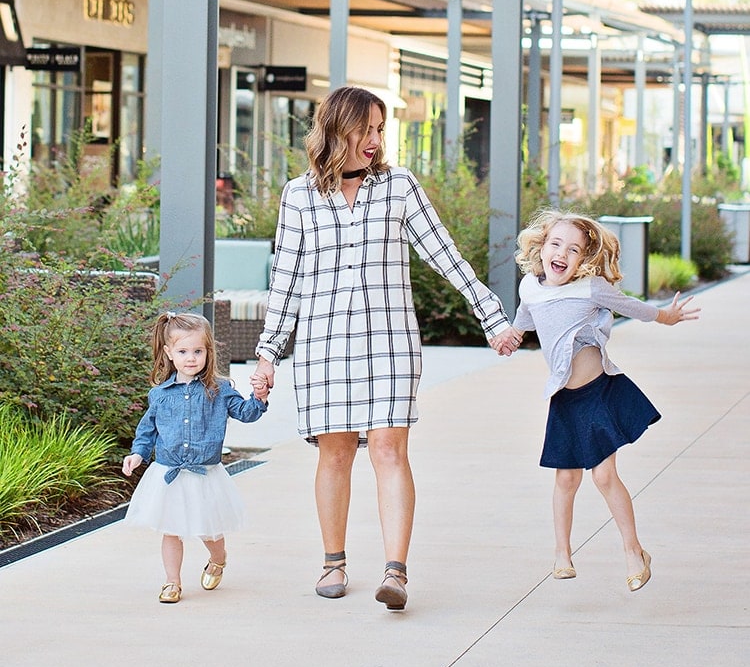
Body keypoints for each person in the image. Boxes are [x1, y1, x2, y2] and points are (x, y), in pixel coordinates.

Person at [252, 85, 519, 611]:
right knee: (334, 455)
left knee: (388, 449)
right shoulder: (299, 195)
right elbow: (286, 279)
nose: (374, 140)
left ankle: (395, 572)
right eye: (365, 129)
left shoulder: (398, 187)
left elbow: (445, 255)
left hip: (390, 340)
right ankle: (333, 561)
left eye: (380, 129)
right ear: (336, 130)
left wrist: (491, 317)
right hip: (323, 342)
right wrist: (267, 353)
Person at [492, 209, 700, 591]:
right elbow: (523, 323)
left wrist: (667, 317)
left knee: (603, 475)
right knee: (566, 479)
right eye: (556, 244)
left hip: (599, 392)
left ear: (583, 260)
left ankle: (634, 551)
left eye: (573, 250)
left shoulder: (590, 289)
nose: (562, 254)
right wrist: (508, 338)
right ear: (541, 246)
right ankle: (561, 553)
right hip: (565, 399)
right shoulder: (530, 288)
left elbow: (634, 307)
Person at [122, 311, 270, 604]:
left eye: (198, 351)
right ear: (169, 353)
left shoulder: (220, 390)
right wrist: (137, 454)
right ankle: (172, 582)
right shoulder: (160, 394)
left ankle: (218, 558)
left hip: (204, 474)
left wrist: (259, 397)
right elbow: (147, 430)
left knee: (209, 530)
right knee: (171, 530)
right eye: (183, 351)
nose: (191, 358)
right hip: (169, 474)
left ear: (207, 352)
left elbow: (246, 413)